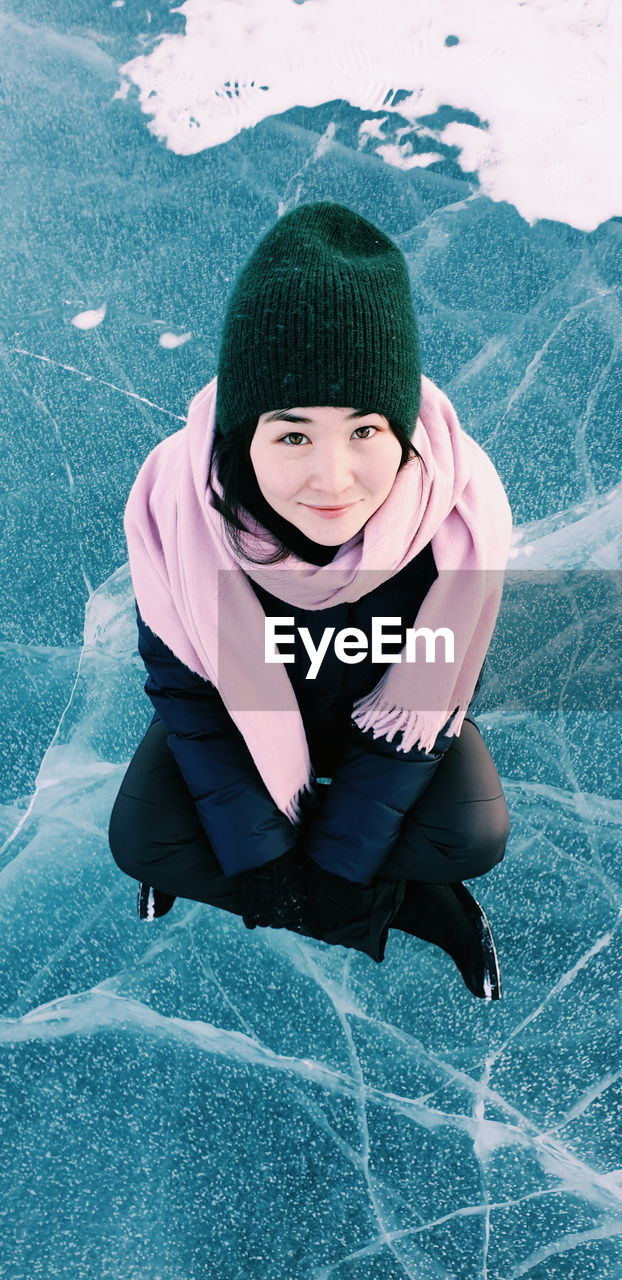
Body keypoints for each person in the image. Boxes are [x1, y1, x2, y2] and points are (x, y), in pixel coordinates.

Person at [108, 201, 513, 1002]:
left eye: (365, 431)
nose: (333, 480)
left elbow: (425, 717)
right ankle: (399, 906)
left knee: (470, 834)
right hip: (237, 715)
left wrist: (336, 868)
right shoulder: (178, 511)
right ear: (241, 435)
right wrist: (264, 866)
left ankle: (428, 902)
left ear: (401, 431)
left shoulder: (457, 525)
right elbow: (189, 697)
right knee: (144, 840)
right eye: (292, 435)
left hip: (384, 723)